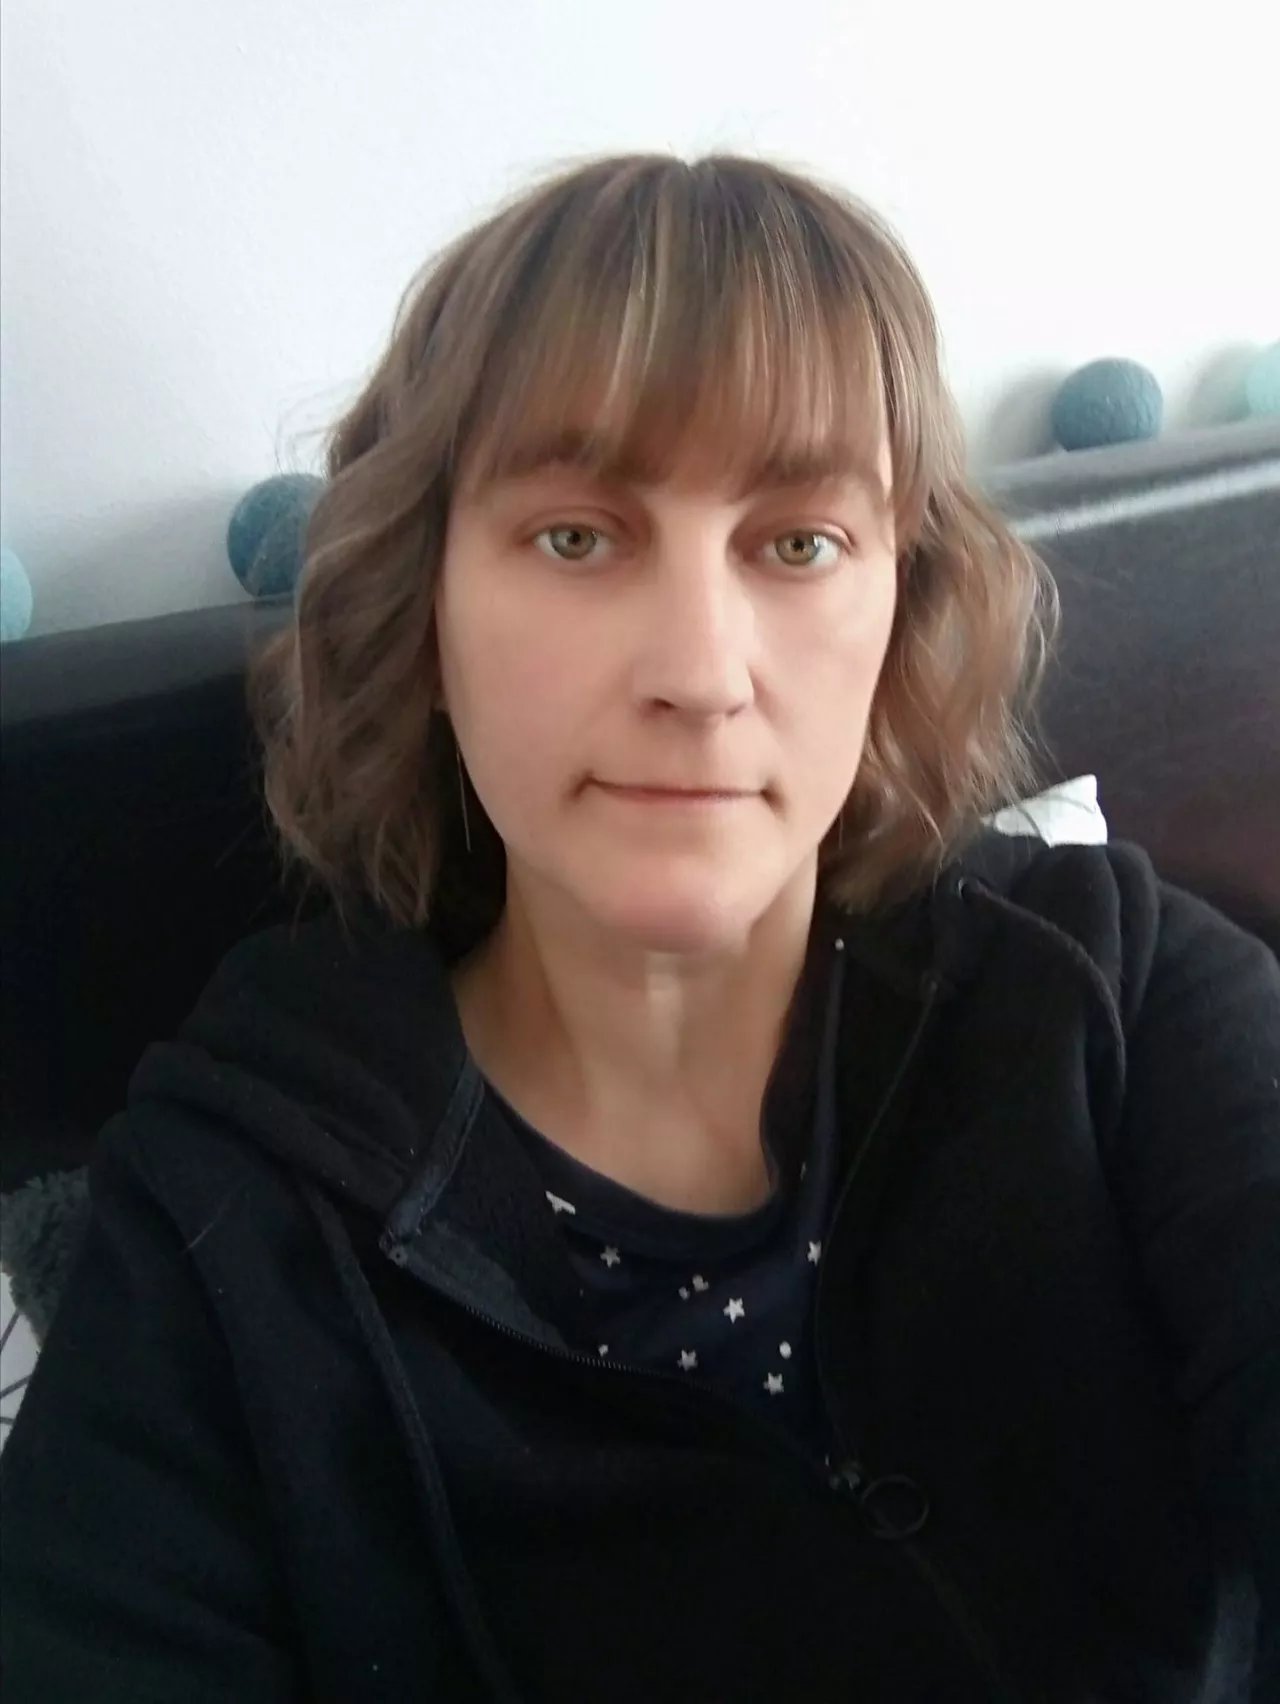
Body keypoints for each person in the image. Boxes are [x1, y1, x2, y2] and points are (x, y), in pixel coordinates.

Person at [2, 153, 1277, 1704]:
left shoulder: (1121, 997)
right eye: (577, 538)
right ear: (425, 607)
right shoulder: (225, 1221)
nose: (698, 672)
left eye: (797, 542)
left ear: (901, 605)